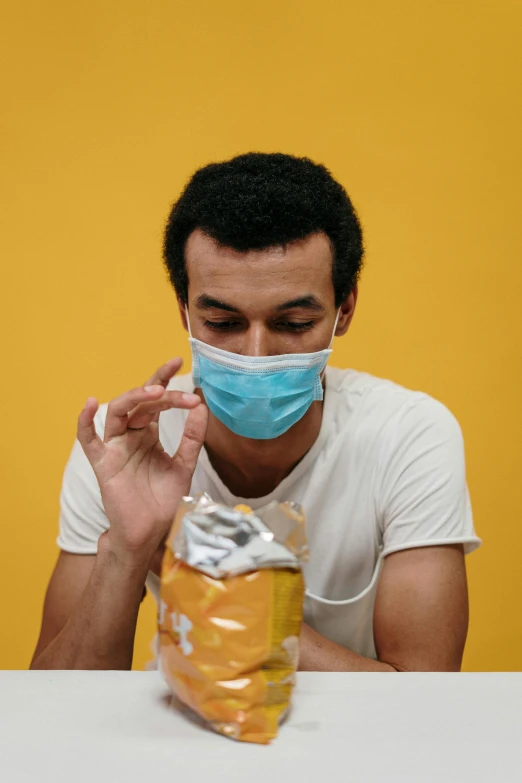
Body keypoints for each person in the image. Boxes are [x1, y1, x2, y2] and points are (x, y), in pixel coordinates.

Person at [31, 152, 480, 672]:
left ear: (345, 310)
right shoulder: (126, 446)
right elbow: (54, 703)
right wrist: (127, 550)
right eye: (223, 322)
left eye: (293, 322)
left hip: (354, 748)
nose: (257, 356)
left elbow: (426, 698)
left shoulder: (408, 436)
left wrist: (218, 592)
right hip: (180, 743)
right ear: (184, 311)